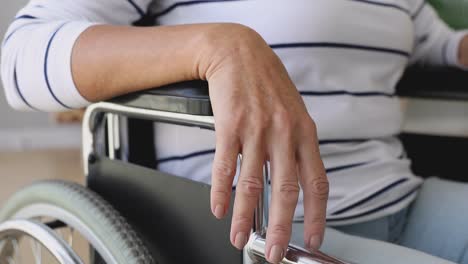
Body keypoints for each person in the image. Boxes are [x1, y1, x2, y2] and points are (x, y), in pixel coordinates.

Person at [2, 0, 468, 263]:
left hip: (401, 198)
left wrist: (459, 45)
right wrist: (215, 45)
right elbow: (21, 58)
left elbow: (432, 41)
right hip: (269, 230)